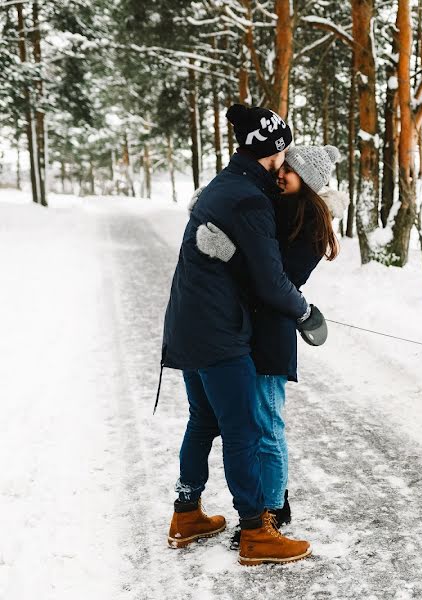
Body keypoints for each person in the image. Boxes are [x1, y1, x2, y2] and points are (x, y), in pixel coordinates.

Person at [160, 104, 320, 566]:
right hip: (218, 330)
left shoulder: (230, 184)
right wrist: (304, 310)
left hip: (189, 324)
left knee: (204, 421)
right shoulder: (249, 199)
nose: (285, 158)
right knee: (243, 429)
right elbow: (271, 281)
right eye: (283, 150)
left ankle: (186, 513)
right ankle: (255, 532)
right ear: (271, 151)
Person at [195, 145, 346, 542]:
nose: (281, 175)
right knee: (249, 423)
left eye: (289, 172)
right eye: (283, 168)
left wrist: (227, 252)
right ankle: (267, 503)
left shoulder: (310, 223)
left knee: (266, 424)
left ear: (309, 184)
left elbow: (272, 278)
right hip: (248, 329)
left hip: (272, 334)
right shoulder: (282, 207)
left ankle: (273, 509)